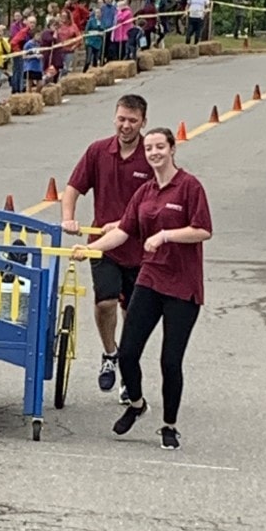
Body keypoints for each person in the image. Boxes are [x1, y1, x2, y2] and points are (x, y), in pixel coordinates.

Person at [72, 126, 212, 450]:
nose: (154, 153)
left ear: (172, 149)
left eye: (159, 147)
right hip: (150, 279)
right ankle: (136, 404)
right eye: (149, 149)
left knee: (169, 361)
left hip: (182, 286)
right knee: (128, 352)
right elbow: (123, 231)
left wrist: (166, 235)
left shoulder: (189, 186)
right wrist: (92, 249)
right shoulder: (145, 192)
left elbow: (203, 229)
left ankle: (169, 425)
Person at [61, 94, 153, 397]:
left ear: (143, 122)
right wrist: (68, 218)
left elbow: (161, 201)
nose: (125, 126)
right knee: (106, 302)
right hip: (104, 245)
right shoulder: (99, 151)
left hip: (140, 248)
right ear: (115, 117)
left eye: (132, 121)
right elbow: (73, 188)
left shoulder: (150, 157)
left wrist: (130, 223)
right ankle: (109, 354)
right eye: (121, 119)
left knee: (133, 312)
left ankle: (129, 366)